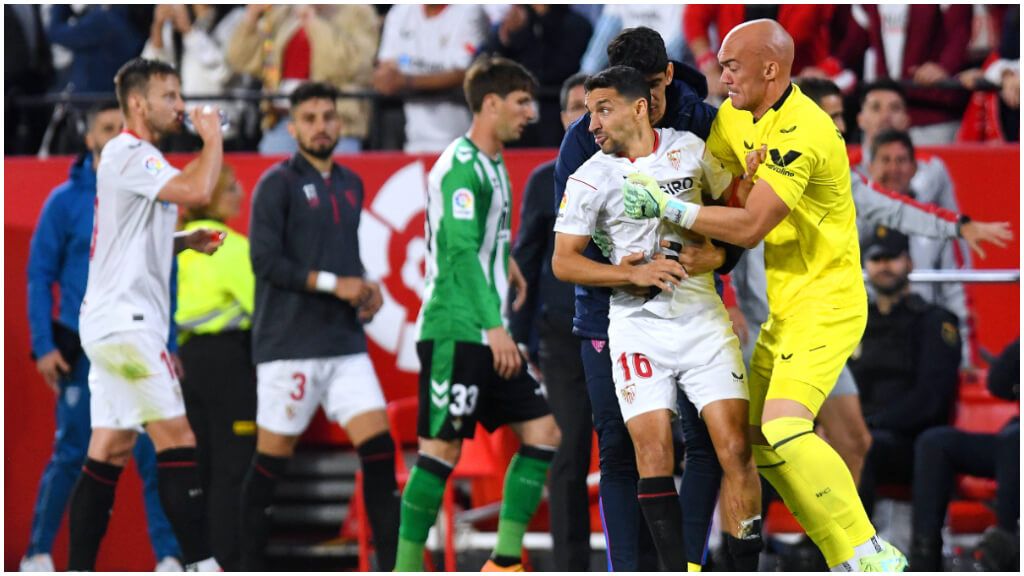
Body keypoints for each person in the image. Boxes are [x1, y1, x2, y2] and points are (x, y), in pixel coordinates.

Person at [622, 19, 905, 571]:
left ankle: (869, 548)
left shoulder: (804, 131)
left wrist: (668, 207)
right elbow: (721, 192)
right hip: (786, 304)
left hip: (829, 303)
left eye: (732, 66)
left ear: (770, 69)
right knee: (759, 443)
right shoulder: (733, 117)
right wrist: (737, 188)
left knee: (784, 427)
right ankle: (843, 556)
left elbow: (750, 226)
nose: (722, 77)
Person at [731, 77, 1012, 487]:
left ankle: (842, 532)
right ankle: (730, 532)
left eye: (841, 116)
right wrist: (728, 300)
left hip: (812, 334)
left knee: (855, 442)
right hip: (759, 332)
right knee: (747, 453)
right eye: (833, 116)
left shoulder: (836, 175)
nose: (842, 127)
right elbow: (716, 237)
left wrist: (957, 226)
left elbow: (892, 207)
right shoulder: (752, 165)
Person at [553, 65, 763, 572]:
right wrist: (628, 274)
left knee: (736, 448)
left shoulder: (690, 149)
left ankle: (743, 566)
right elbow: (563, 261)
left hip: (702, 318)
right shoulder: (589, 176)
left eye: (603, 110)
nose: (592, 123)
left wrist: (746, 190)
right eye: (589, 111)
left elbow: (733, 208)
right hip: (636, 327)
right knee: (652, 454)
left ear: (640, 107)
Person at [396, 56, 561, 572]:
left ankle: (503, 562)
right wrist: (495, 327)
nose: (530, 113)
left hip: (486, 329)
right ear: (490, 104)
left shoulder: (492, 162)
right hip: (458, 329)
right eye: (521, 102)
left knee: (543, 432)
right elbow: (460, 251)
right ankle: (405, 568)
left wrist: (504, 261)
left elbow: (479, 241)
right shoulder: (462, 167)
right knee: (440, 450)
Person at [69, 57, 225, 572]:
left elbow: (128, 240)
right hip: (128, 324)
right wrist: (212, 137)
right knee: (177, 439)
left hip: (111, 323)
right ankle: (203, 564)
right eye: (170, 96)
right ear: (138, 103)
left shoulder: (134, 160)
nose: (180, 106)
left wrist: (183, 241)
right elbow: (200, 191)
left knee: (110, 448)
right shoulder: (131, 151)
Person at [242, 81, 399, 571]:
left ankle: (395, 566)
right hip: (288, 345)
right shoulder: (276, 184)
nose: (321, 126)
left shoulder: (351, 183)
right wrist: (338, 285)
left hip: (344, 343)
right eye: (309, 118)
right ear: (291, 128)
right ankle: (243, 565)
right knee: (269, 465)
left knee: (380, 452)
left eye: (328, 116)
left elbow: (343, 257)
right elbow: (265, 261)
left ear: (340, 121)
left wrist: (366, 287)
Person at [22, 100, 183, 573]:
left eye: (121, 126)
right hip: (82, 345)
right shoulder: (65, 202)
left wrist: (170, 343)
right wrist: (43, 344)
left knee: (153, 450)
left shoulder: (147, 193)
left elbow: (165, 273)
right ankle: (38, 554)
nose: (117, 135)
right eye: (107, 128)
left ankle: (169, 557)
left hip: (135, 341)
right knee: (72, 449)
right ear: (89, 137)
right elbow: (39, 275)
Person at [508, 72, 591, 570]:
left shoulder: (632, 171)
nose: (587, 117)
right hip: (561, 338)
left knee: (637, 453)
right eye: (578, 107)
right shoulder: (544, 181)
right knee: (569, 455)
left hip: (624, 332)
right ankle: (570, 566)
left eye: (597, 107)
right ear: (561, 117)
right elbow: (526, 260)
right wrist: (519, 338)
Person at [175, 164, 256, 570]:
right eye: (232, 187)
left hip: (182, 365)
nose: (240, 192)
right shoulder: (229, 245)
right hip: (228, 366)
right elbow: (261, 308)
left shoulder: (174, 246)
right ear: (209, 196)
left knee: (197, 470)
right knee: (233, 471)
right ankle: (230, 563)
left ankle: (198, 561)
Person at [848, 228, 961, 517]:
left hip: (908, 443)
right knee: (772, 448)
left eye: (892, 258)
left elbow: (930, 399)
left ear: (909, 262)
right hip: (855, 433)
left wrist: (867, 425)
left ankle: (852, 543)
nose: (884, 266)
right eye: (876, 259)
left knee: (858, 448)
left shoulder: (933, 321)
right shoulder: (854, 322)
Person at [866, 129, 975, 367]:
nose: (894, 169)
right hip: (867, 333)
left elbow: (955, 290)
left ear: (914, 168)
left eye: (901, 160)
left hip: (923, 335)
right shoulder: (851, 221)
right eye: (885, 160)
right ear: (870, 167)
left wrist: (965, 358)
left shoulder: (938, 227)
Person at [910, 338, 1019, 571]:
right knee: (935, 442)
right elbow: (998, 383)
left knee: (1014, 439)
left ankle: (1006, 544)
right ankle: (924, 556)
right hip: (1009, 447)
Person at [226, 5, 380, 154]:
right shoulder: (284, 12)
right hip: (284, 121)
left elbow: (354, 65)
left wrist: (314, 23)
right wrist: (251, 17)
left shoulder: (358, 12)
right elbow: (241, 60)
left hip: (336, 125)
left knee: (335, 172)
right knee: (274, 170)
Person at [374, 4, 489, 153]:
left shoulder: (470, 10)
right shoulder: (401, 11)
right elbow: (385, 75)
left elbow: (464, 73)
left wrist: (406, 80)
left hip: (461, 140)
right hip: (412, 140)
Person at [476, 5, 593, 147]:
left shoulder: (576, 25)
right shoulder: (512, 22)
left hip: (555, 114)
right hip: (516, 117)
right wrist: (506, 36)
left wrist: (522, 36)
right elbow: (483, 65)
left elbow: (556, 70)